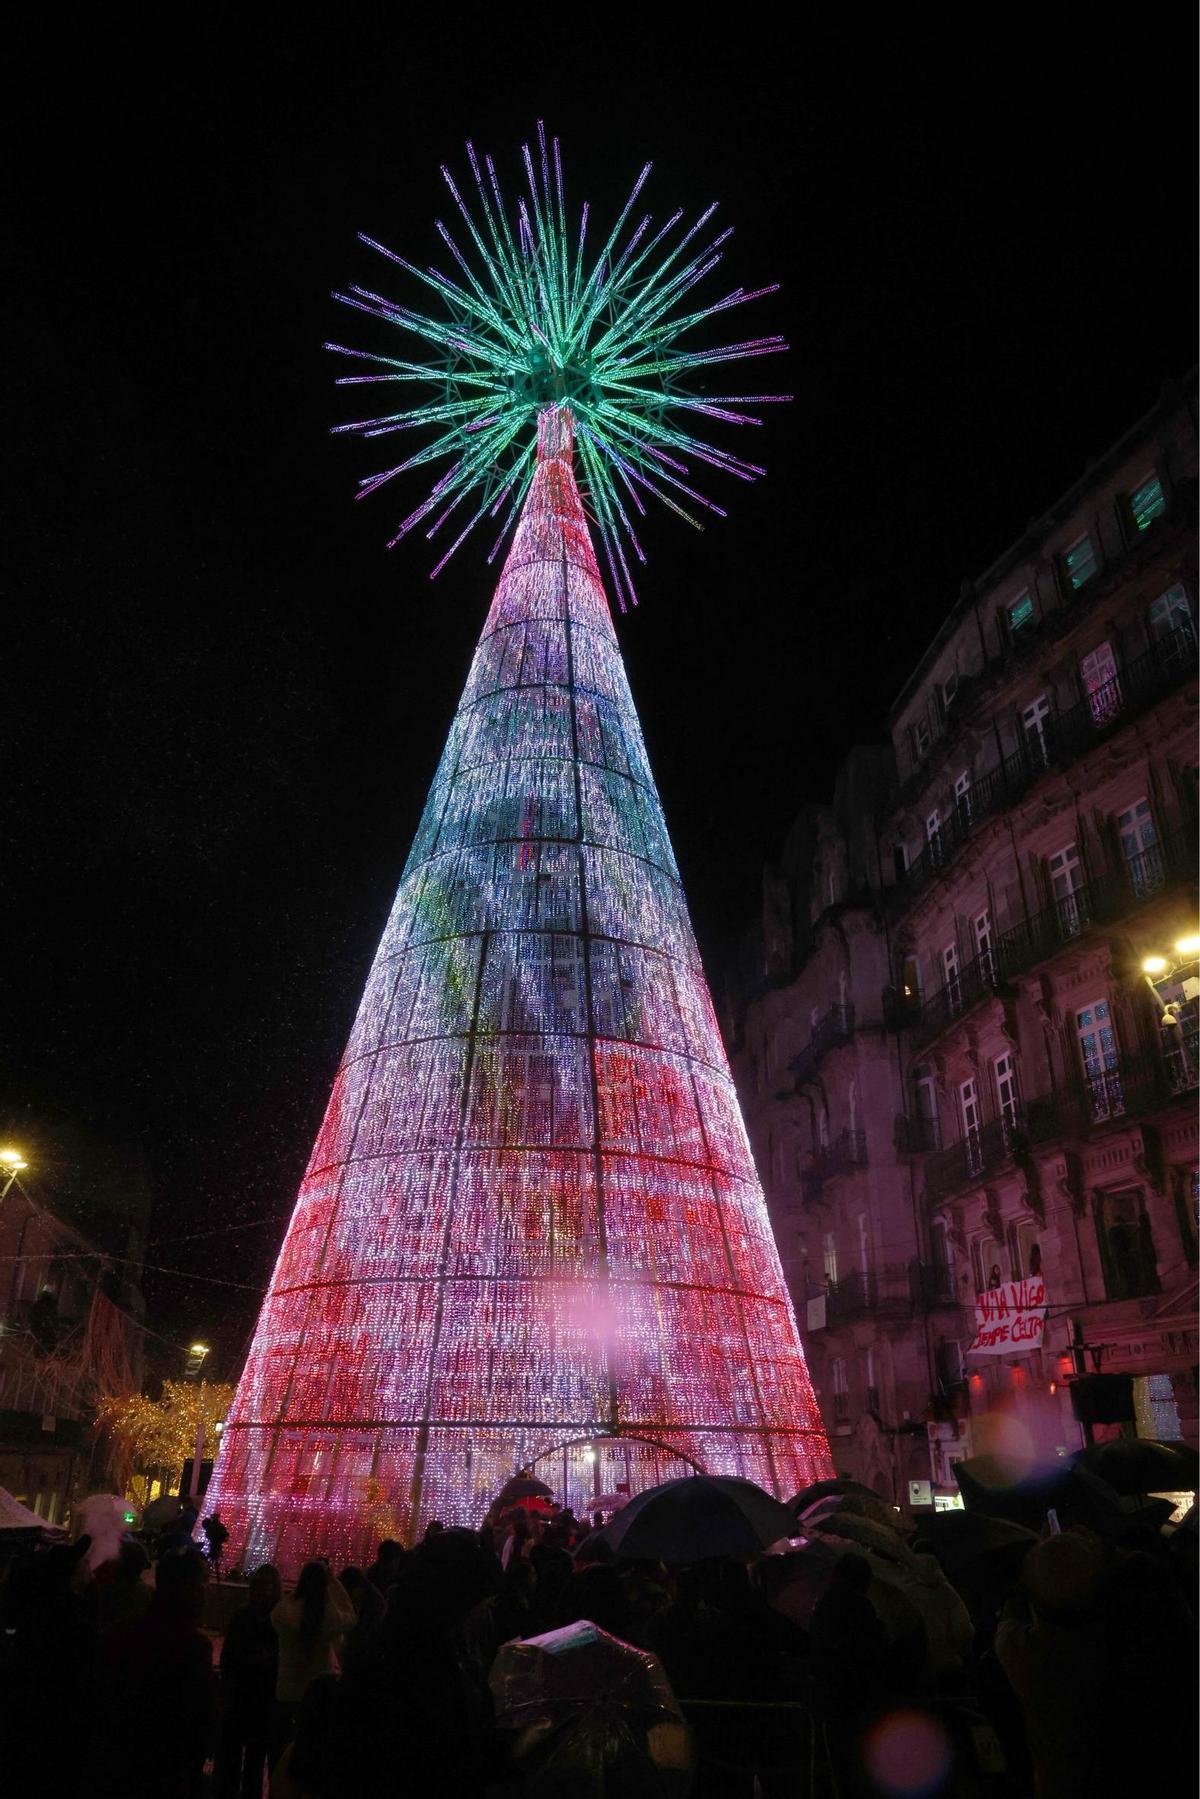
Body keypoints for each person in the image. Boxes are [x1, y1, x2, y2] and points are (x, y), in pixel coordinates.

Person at [94, 1547, 216, 1797]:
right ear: (185, 1586)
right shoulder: (192, 1648)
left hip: (115, 1768)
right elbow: (197, 1724)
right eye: (203, 1581)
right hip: (164, 1775)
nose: (207, 1590)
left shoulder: (117, 1634)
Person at [270, 1560, 355, 1768]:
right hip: (316, 1692)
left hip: (286, 1690)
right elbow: (350, 1617)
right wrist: (333, 1583)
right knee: (310, 1748)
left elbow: (284, 1606)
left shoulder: (284, 1612)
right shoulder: (328, 1618)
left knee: (281, 1747)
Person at [216, 1563, 282, 1799]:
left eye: (268, 1587)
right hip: (246, 1696)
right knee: (237, 1757)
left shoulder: (273, 1620)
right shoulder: (255, 1618)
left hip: (258, 1698)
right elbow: (228, 1655)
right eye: (260, 1586)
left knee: (251, 1759)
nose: (263, 1592)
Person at [202, 1509, 230, 1576]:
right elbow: (225, 1536)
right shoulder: (220, 1526)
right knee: (215, 1557)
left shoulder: (212, 1527)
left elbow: (209, 1535)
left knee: (212, 1557)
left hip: (214, 1546)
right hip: (217, 1545)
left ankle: (206, 1572)